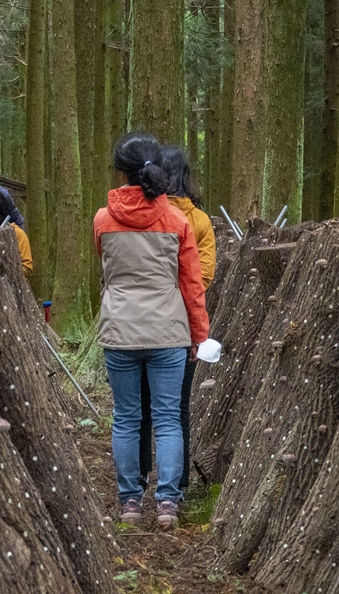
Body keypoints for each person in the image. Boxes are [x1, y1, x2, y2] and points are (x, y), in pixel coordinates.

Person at [92, 132, 209, 529]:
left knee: (126, 417)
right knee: (168, 419)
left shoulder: (102, 220)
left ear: (121, 171)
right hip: (168, 331)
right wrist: (199, 335)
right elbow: (192, 285)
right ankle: (168, 503)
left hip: (120, 330)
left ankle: (129, 502)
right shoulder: (177, 221)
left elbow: (105, 266)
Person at [138, 145, 216, 497]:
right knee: (176, 409)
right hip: (179, 326)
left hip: (135, 321)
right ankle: (177, 486)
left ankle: (136, 482)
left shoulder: (141, 214)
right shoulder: (198, 220)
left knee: (137, 409)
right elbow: (205, 275)